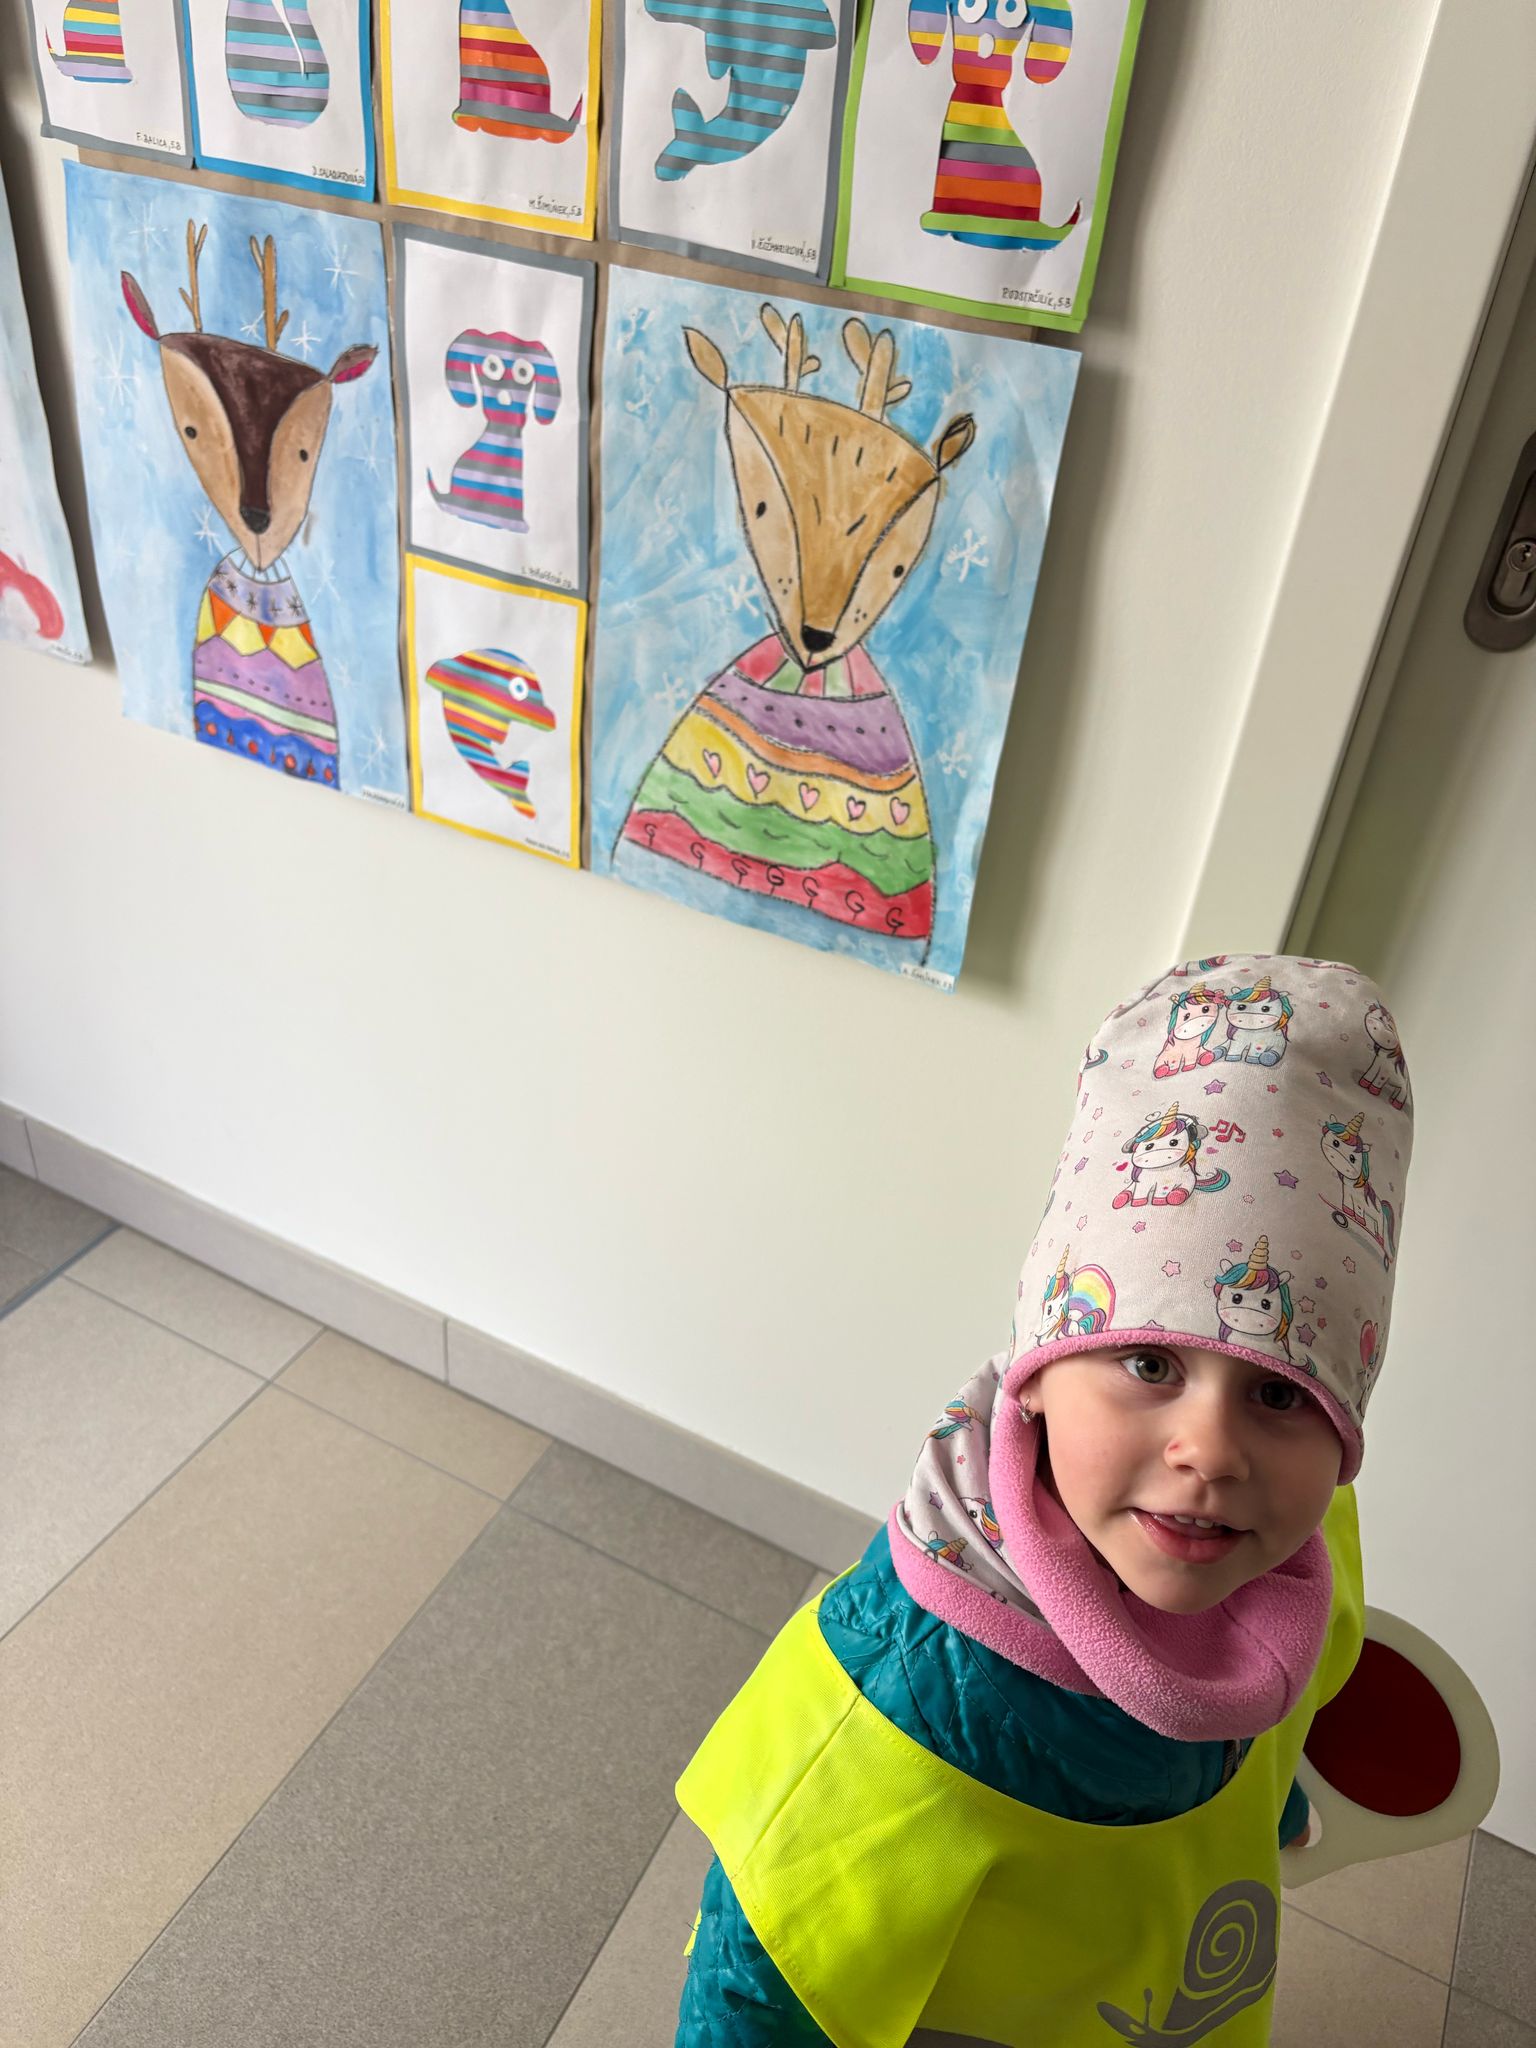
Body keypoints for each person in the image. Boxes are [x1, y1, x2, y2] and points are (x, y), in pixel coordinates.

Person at [673, 953, 1414, 2047]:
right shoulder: (903, 1708)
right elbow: (763, 1986)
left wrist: (1272, 1803)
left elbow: (1287, 1711)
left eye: (1278, 1392)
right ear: (1037, 1372)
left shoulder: (1302, 1550)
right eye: (1149, 1364)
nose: (1211, 1452)